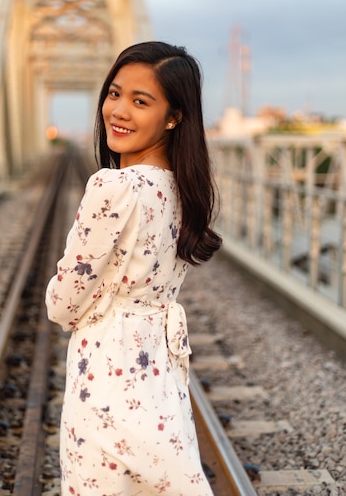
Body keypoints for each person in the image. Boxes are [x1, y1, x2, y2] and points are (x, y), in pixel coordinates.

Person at [46, 41, 222, 495]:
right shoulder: (182, 190)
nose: (118, 111)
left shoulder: (115, 187)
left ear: (173, 116)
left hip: (105, 386)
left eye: (140, 101)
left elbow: (62, 305)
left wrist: (90, 300)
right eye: (114, 94)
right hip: (160, 385)